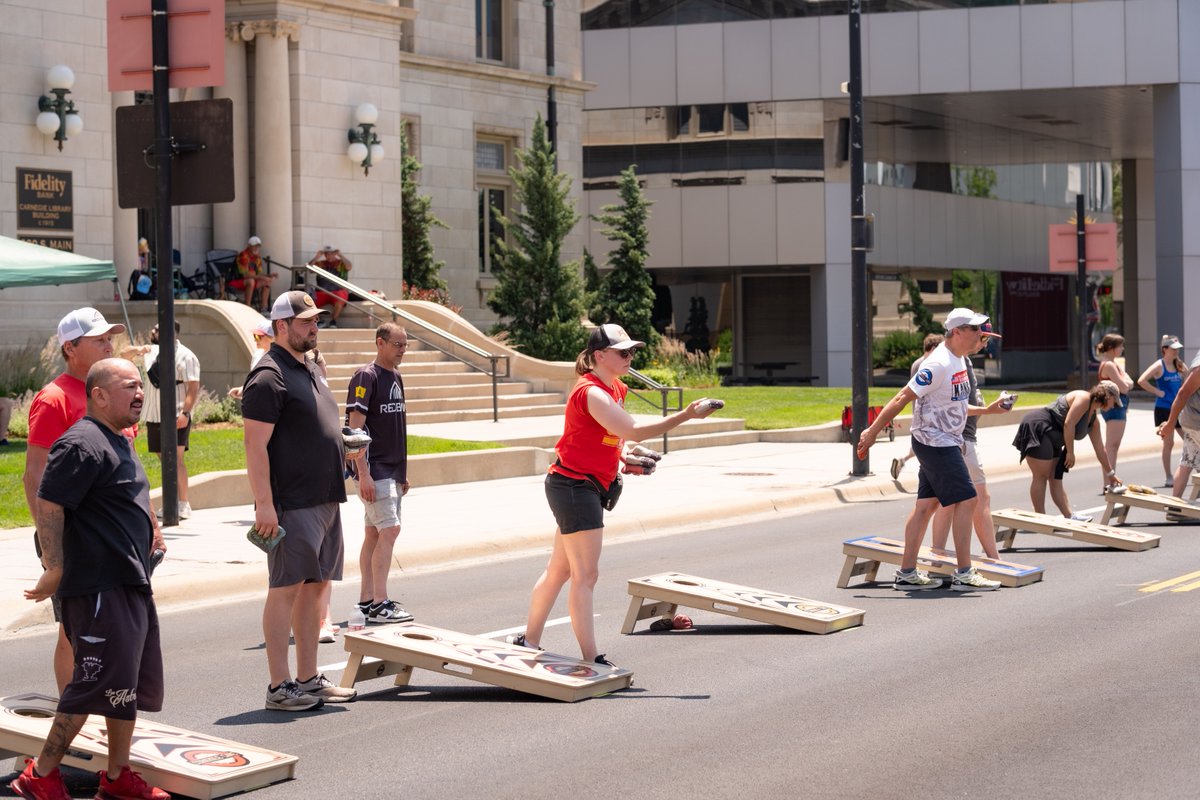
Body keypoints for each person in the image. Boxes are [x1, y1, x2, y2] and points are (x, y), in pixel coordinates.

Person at [510, 324, 719, 666]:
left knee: (560, 571)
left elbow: (616, 435)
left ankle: (529, 640)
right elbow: (632, 428)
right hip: (575, 487)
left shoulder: (615, 388)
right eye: (623, 352)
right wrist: (686, 415)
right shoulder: (591, 393)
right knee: (586, 575)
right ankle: (591, 657)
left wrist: (624, 456)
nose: (630, 357)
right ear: (599, 356)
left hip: (581, 485)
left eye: (631, 351)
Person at [11, 358, 169, 800]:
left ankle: (118, 777)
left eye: (141, 386)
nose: (139, 393)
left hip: (129, 580)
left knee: (125, 684)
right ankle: (40, 774)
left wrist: (150, 531)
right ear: (98, 395)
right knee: (94, 683)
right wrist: (55, 569)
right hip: (98, 587)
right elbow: (50, 505)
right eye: (128, 387)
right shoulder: (81, 442)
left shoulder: (117, 440)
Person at [241, 290, 359, 711]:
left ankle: (308, 679)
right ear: (281, 327)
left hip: (326, 497)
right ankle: (279, 686)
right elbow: (255, 447)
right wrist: (264, 505)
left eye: (316, 321)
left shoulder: (309, 367)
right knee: (285, 590)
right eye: (306, 322)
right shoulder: (268, 375)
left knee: (315, 589)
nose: (314, 328)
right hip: (292, 502)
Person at [858, 308, 1005, 592]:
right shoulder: (938, 364)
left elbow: (956, 406)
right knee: (968, 500)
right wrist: (872, 430)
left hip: (943, 441)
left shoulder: (959, 360)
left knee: (926, 506)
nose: (981, 336)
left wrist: (988, 409)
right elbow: (902, 396)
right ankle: (964, 572)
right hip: (935, 443)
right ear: (957, 331)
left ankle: (907, 572)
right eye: (976, 331)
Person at [23, 307, 127, 696]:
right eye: (98, 339)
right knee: (74, 631)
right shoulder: (53, 399)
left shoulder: (112, 393)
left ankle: (100, 708)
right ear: (70, 347)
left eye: (109, 338)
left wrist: (150, 524)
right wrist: (52, 551)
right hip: (75, 536)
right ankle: (75, 712)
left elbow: (129, 464)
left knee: (114, 627)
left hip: (117, 535)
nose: (109, 344)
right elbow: (35, 475)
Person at [344, 322, 413, 626]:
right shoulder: (366, 376)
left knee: (374, 533)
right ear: (380, 343)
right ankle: (380, 604)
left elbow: (396, 428)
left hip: (391, 470)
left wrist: (402, 473)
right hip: (375, 469)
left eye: (405, 345)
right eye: (398, 344)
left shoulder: (396, 376)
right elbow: (354, 429)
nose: (403, 350)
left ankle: (365, 602)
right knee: (390, 530)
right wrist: (363, 473)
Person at [930, 323, 1012, 560]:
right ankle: (992, 557)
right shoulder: (957, 362)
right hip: (959, 438)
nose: (983, 344)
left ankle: (938, 554)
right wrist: (988, 410)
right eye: (982, 338)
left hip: (952, 438)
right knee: (979, 498)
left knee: (945, 500)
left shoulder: (958, 360)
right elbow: (956, 405)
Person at [1012, 381, 1123, 521]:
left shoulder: (1094, 421)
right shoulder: (1084, 398)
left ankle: (1069, 515)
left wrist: (1110, 474)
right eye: (1115, 402)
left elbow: (1100, 449)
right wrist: (1070, 452)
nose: (1114, 406)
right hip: (1039, 427)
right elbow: (1068, 423)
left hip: (1055, 438)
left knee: (1055, 477)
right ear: (1108, 396)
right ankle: (1039, 517)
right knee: (1042, 475)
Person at [136, 321, 201, 521]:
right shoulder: (151, 353)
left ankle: (183, 503)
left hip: (176, 415)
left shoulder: (186, 355)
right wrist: (139, 349)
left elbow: (193, 388)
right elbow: (123, 356)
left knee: (176, 459)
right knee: (164, 460)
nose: (154, 331)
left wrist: (186, 413)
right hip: (154, 414)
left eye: (158, 329)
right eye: (154, 328)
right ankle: (171, 502)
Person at [891, 333, 944, 480]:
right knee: (926, 450)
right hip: (928, 415)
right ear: (934, 347)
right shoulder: (928, 365)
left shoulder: (917, 363)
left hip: (918, 412)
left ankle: (903, 461)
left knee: (919, 448)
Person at [1138, 335, 1189, 487]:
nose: (1176, 352)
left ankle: (1189, 470)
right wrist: (1158, 392)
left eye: (1177, 349)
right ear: (1164, 349)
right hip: (1164, 409)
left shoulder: (1179, 364)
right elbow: (1141, 380)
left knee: (1190, 439)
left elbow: (1189, 378)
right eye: (1173, 349)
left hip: (1179, 408)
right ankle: (1169, 476)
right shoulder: (1159, 365)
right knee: (1169, 443)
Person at [1157, 347, 1200, 505]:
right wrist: (1169, 423)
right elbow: (1182, 393)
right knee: (1187, 463)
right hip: (1196, 421)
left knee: (1187, 463)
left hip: (1192, 421)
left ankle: (1175, 507)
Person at [1096, 333, 1135, 488]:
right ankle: (1109, 482)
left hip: (1118, 405)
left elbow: (1130, 381)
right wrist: (1126, 384)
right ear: (1112, 348)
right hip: (1115, 405)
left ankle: (1109, 481)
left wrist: (1127, 383)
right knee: (1112, 446)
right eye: (1120, 346)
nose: (1122, 349)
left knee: (1113, 446)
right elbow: (1125, 387)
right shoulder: (1110, 365)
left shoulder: (1114, 363)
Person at [227, 320, 274, 401]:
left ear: (271, 338)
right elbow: (254, 381)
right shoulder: (257, 355)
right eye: (254, 336)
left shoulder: (279, 358)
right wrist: (242, 390)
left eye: (258, 336)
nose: (255, 340)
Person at [308, 245, 353, 327]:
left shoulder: (341, 263)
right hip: (322, 291)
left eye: (331, 253)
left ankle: (333, 321)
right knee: (309, 300)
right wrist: (317, 257)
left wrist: (341, 255)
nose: (329, 256)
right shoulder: (321, 263)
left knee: (341, 297)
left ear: (334, 253)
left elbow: (349, 266)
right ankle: (320, 321)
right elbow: (309, 269)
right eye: (326, 254)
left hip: (337, 291)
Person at [233, 236, 278, 311]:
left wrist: (269, 275)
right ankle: (247, 307)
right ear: (249, 246)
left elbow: (259, 273)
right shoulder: (243, 255)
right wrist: (260, 277)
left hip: (250, 280)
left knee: (268, 281)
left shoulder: (257, 257)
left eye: (258, 246)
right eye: (254, 246)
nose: (256, 248)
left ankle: (263, 308)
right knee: (251, 281)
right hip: (237, 280)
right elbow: (245, 275)